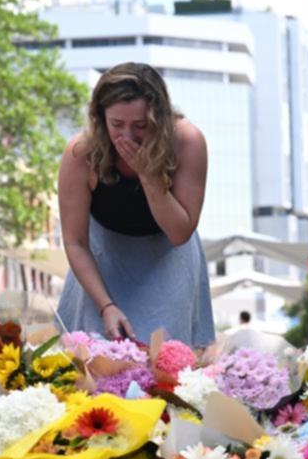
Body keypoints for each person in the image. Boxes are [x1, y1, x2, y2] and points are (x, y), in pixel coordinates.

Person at [56, 62, 214, 345]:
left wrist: (149, 175)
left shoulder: (188, 141)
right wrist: (106, 305)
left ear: (160, 119)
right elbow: (75, 242)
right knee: (94, 358)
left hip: (168, 256)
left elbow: (180, 232)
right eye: (117, 124)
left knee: (167, 363)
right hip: (101, 259)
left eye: (140, 126)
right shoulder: (80, 153)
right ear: (100, 118)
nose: (126, 137)